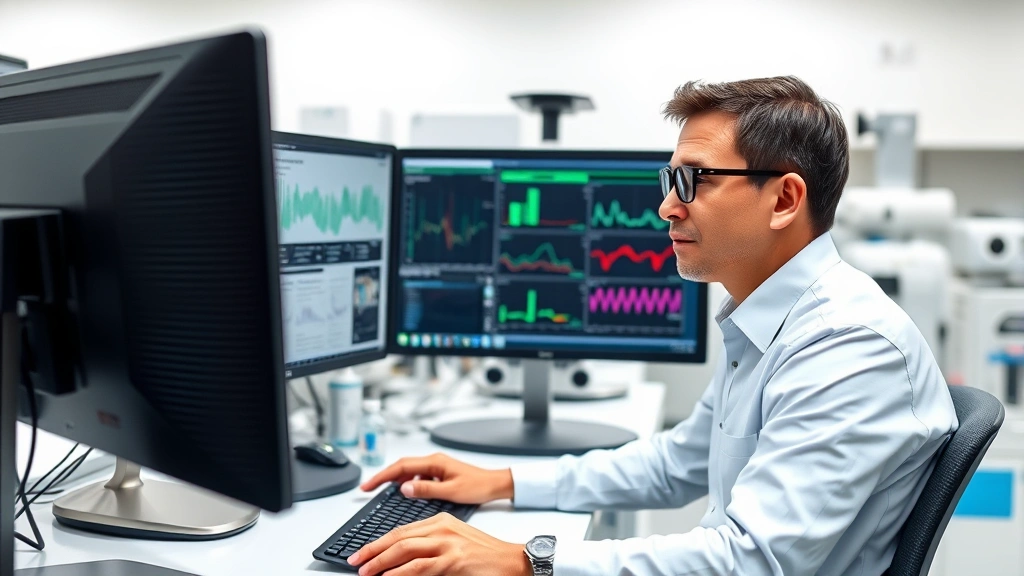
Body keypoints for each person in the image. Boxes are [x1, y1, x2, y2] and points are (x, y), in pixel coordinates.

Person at [346, 76, 958, 576]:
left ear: (783, 200)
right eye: (669, 180)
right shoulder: (772, 321)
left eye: (694, 179)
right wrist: (501, 480)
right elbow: (675, 465)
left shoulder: (847, 348)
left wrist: (522, 559)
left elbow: (752, 561)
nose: (666, 205)